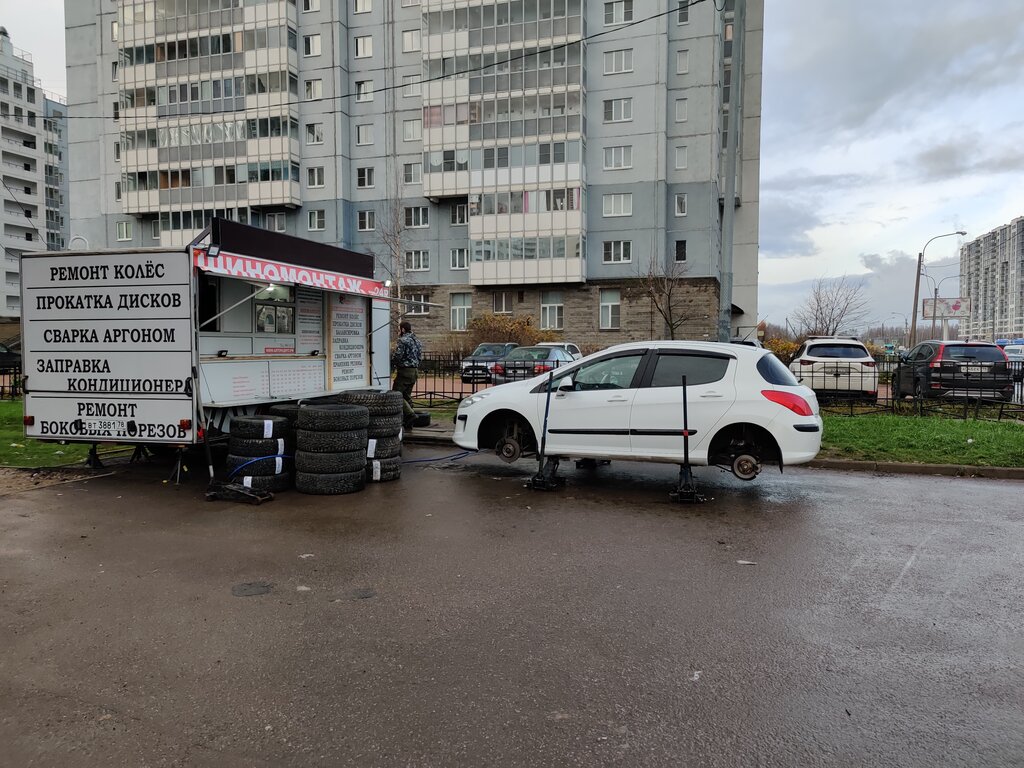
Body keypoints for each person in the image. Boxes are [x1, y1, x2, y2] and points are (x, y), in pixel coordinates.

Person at [391, 320, 423, 428]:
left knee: (396, 395)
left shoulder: (403, 340)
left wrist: (392, 362)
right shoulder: (417, 341)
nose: (399, 332)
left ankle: (410, 415)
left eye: (399, 329)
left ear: (403, 329)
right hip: (414, 371)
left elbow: (398, 356)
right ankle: (409, 422)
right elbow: (420, 357)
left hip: (404, 371)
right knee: (407, 396)